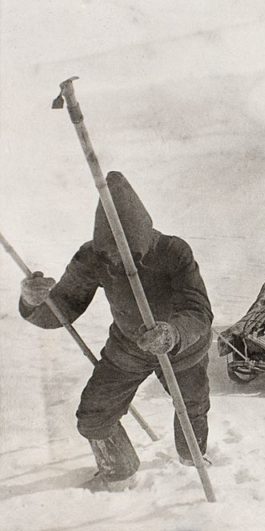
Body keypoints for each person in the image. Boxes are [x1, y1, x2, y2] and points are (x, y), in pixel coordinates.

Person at [18, 171, 213, 491]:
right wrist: (33, 301)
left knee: (192, 408)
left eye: (126, 257)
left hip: (181, 348)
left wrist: (172, 335)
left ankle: (192, 462)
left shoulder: (173, 251)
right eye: (109, 256)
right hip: (128, 348)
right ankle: (120, 470)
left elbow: (198, 311)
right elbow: (61, 310)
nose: (116, 264)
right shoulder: (93, 256)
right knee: (93, 416)